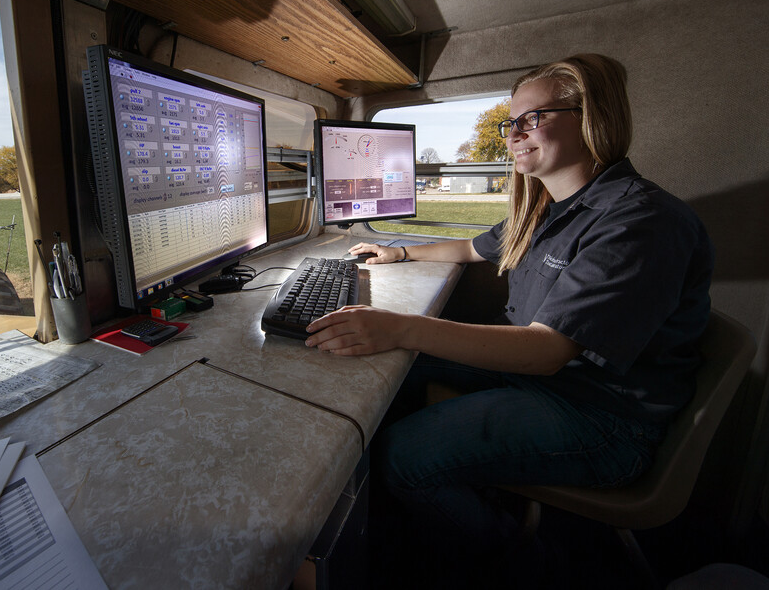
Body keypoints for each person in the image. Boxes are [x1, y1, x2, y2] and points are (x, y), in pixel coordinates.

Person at [304, 53, 714, 581]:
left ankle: (520, 563)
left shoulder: (640, 222)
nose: (513, 134)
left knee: (400, 456)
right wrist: (400, 254)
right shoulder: (546, 207)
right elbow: (472, 249)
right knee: (402, 368)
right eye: (510, 122)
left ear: (592, 117)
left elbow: (546, 352)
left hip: (602, 416)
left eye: (532, 119)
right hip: (551, 381)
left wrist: (401, 325)